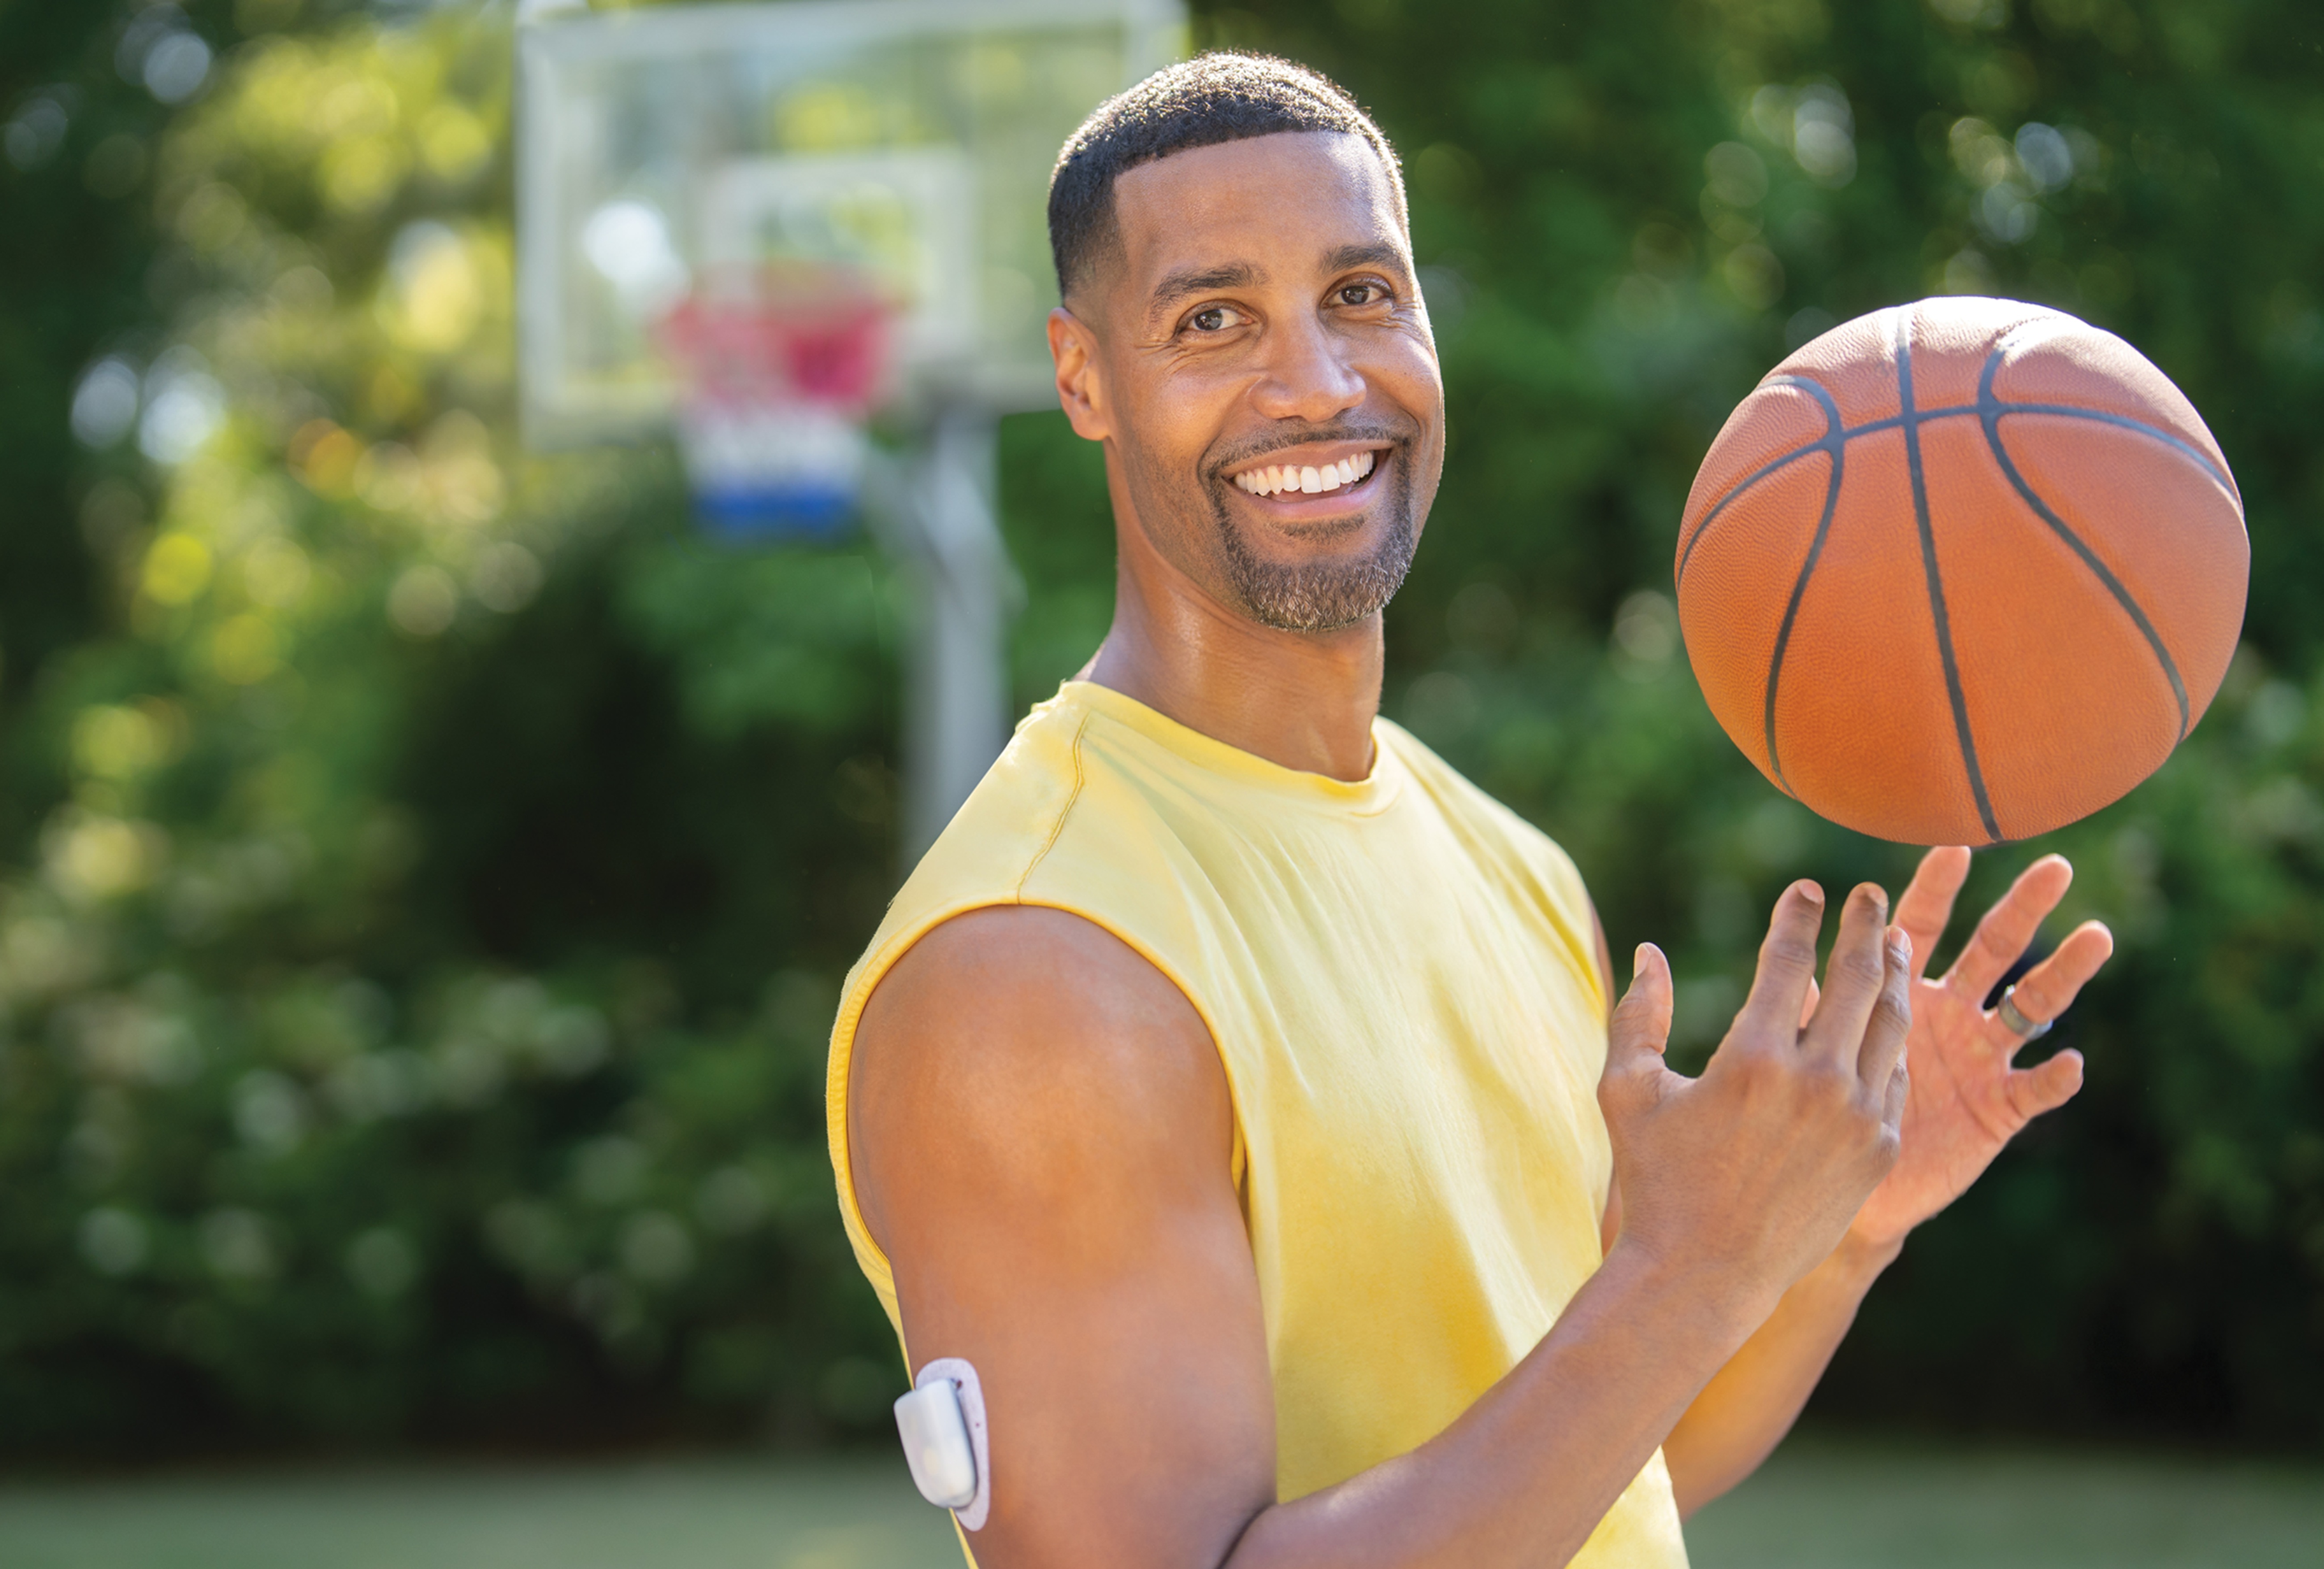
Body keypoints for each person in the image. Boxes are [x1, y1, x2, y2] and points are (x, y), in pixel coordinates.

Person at [826, 52, 2115, 1568]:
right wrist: (1687, 1269)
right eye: (1211, 319)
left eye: (1364, 295)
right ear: (1082, 376)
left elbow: (1605, 1472)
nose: (1316, 381)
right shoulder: (1036, 972)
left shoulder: (1508, 863)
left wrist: (1828, 1237)